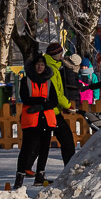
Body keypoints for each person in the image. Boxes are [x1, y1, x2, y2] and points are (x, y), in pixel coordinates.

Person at [14, 56, 60, 189]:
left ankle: (40, 175)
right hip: (31, 119)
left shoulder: (48, 82)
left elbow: (54, 101)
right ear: (33, 66)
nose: (40, 67)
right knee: (27, 148)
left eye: (42, 65)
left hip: (46, 119)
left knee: (44, 147)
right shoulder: (26, 80)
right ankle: (20, 176)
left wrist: (41, 105)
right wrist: (42, 100)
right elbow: (25, 98)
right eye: (38, 65)